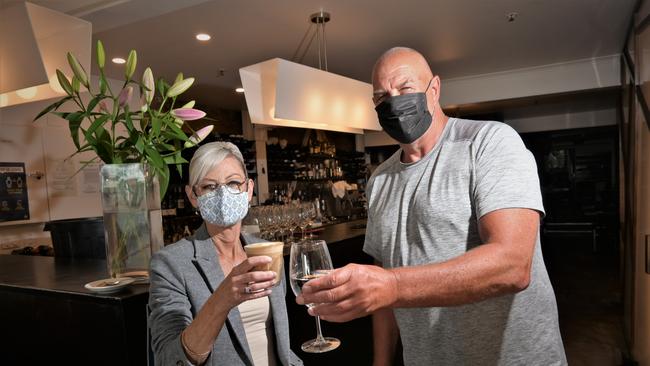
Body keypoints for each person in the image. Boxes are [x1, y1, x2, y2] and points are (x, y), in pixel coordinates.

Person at [297, 47, 567, 365]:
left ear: (434, 88)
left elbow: (513, 265)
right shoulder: (380, 179)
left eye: (405, 88)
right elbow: (383, 289)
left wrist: (393, 285)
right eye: (382, 96)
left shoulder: (490, 143)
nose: (393, 101)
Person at [149, 141, 303, 366]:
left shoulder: (264, 250)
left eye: (232, 183)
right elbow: (170, 360)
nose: (223, 194)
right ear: (193, 196)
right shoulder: (170, 264)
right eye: (210, 187)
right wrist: (221, 300)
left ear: (249, 189)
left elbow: (278, 341)